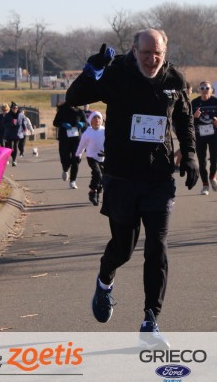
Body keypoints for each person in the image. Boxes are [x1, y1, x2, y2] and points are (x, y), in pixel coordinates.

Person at [66, 28, 198, 350]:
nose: (152, 60)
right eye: (146, 53)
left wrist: (191, 154)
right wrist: (93, 69)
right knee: (123, 248)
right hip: (122, 178)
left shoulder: (174, 80)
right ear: (134, 51)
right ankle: (105, 279)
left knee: (157, 247)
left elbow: (184, 121)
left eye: (158, 54)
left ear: (165, 53)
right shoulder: (117, 75)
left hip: (159, 178)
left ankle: (150, 320)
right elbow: (74, 97)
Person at [191, 80, 217, 195]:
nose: (204, 90)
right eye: (202, 88)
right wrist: (194, 117)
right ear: (199, 90)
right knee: (202, 162)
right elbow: (188, 119)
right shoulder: (194, 103)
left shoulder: (216, 101)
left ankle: (212, 177)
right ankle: (205, 185)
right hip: (200, 135)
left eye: (207, 88)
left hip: (214, 135)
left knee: (214, 161)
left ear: (211, 90)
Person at [53, 100, 88, 188]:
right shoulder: (62, 111)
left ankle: (73, 181)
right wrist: (62, 124)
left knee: (76, 160)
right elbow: (55, 122)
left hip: (77, 140)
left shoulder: (80, 112)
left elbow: (86, 123)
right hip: (64, 139)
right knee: (65, 159)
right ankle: (65, 169)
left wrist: (82, 124)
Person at [75, 110, 106, 205]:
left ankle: (97, 194)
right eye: (94, 118)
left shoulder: (105, 131)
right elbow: (81, 145)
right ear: (90, 121)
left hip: (103, 158)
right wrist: (78, 155)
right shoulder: (87, 133)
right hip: (92, 157)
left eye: (99, 118)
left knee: (102, 178)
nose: (97, 120)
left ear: (101, 120)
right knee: (97, 174)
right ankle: (92, 192)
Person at [0, 101, 34, 167]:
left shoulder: (21, 115)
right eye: (14, 108)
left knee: (15, 146)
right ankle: (12, 156)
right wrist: (10, 124)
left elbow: (24, 122)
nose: (15, 109)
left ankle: (14, 160)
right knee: (10, 147)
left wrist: (24, 128)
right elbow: (3, 123)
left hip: (17, 133)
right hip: (9, 133)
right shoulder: (7, 115)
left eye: (16, 108)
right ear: (11, 108)